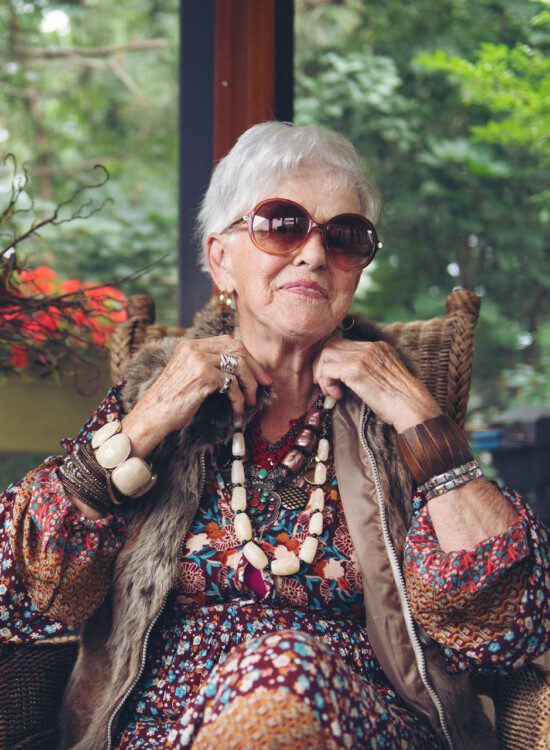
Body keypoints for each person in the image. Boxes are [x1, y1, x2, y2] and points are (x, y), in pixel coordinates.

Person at [1, 122, 548, 750]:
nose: (314, 254)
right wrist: (152, 416)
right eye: (282, 224)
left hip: (361, 726)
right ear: (221, 259)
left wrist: (421, 419)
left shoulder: (394, 417)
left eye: (343, 237)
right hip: (162, 733)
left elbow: (509, 632)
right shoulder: (152, 403)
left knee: (285, 667)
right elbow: (21, 595)